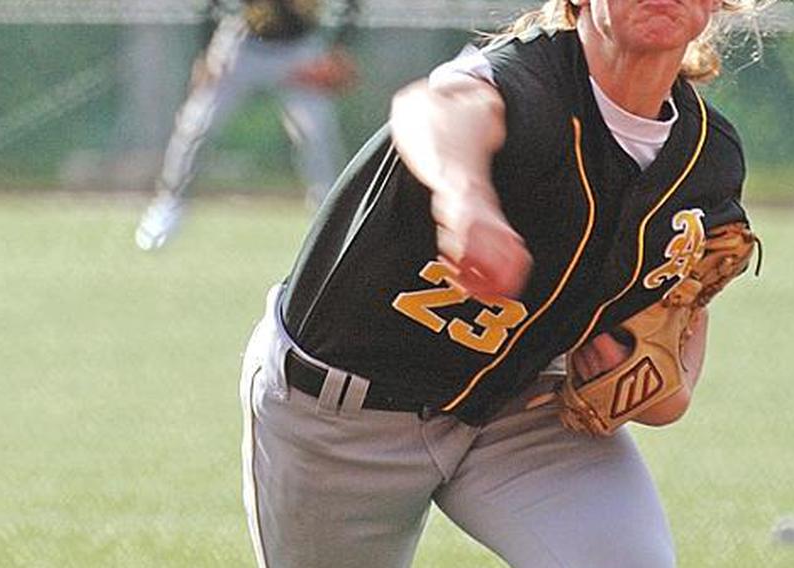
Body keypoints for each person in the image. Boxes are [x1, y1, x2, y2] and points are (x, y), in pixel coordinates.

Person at [240, 0, 757, 566]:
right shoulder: (526, 81)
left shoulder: (707, 159)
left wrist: (671, 389)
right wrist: (465, 199)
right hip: (344, 417)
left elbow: (682, 314)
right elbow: (435, 107)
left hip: (521, 406)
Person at [134, 0, 359, 250]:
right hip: (243, 44)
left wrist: (337, 48)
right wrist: (205, 50)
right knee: (196, 124)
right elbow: (212, 5)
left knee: (317, 135)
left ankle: (331, 221)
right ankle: (169, 203)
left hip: (300, 48)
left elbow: (351, 6)